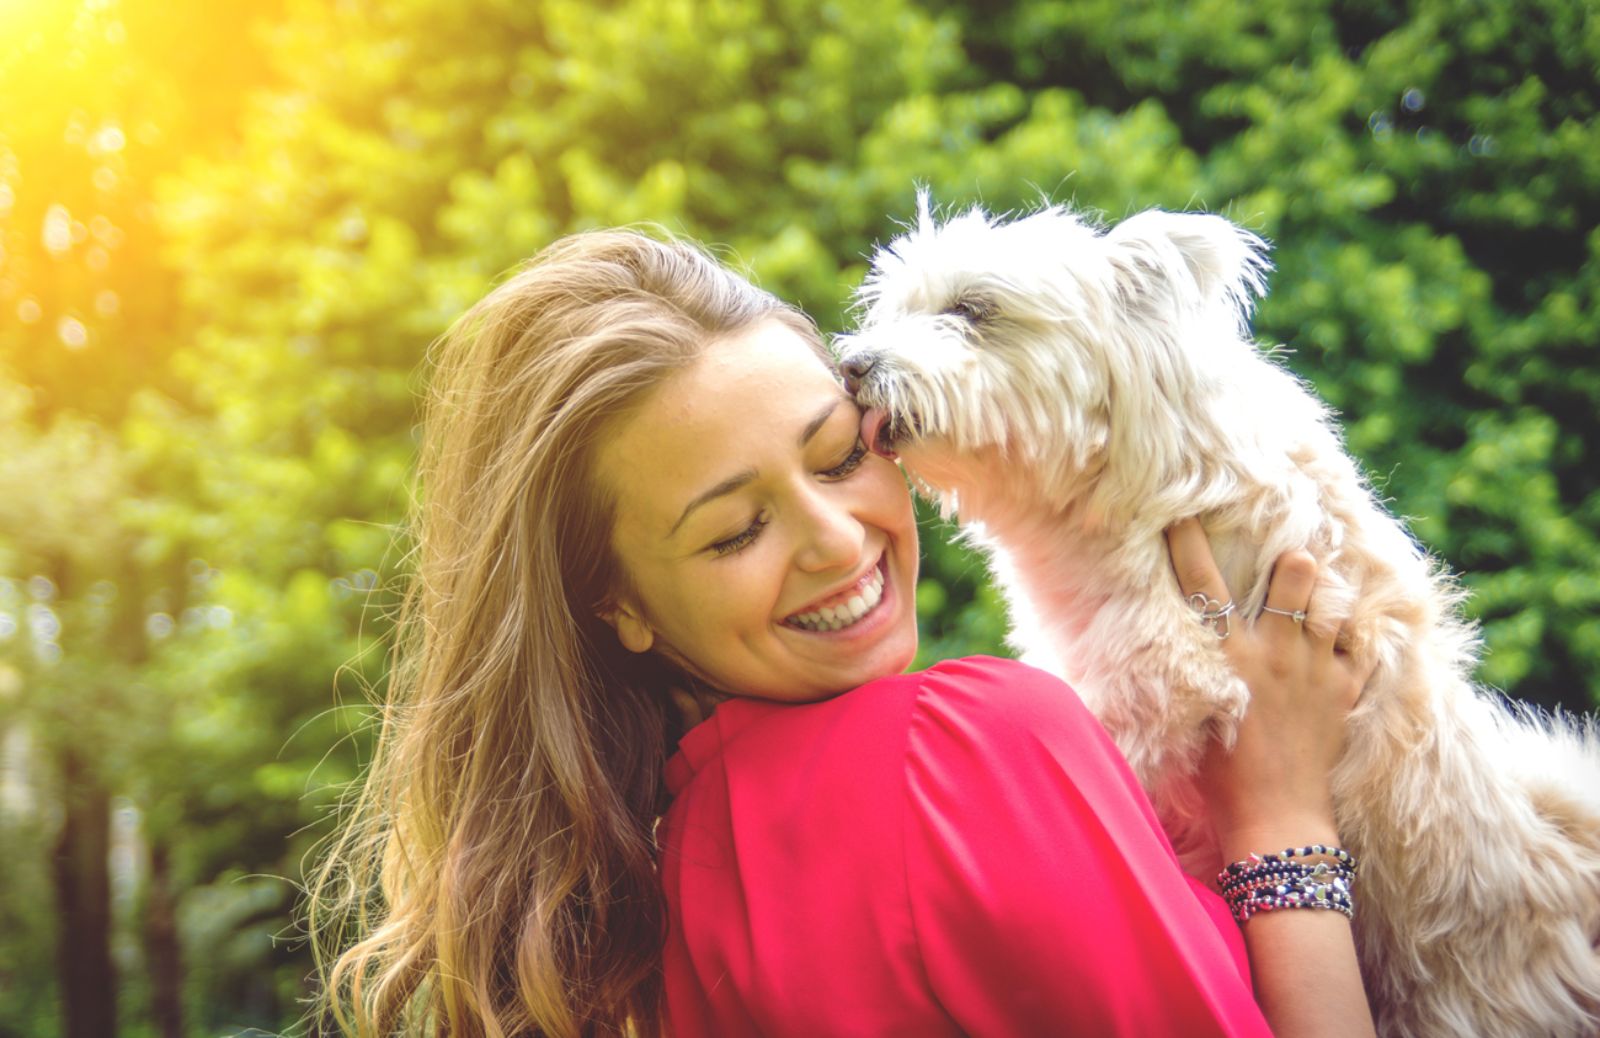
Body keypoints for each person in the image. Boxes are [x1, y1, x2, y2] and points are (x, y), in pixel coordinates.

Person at [308, 229, 1377, 1037]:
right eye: (735, 532)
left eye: (836, 457)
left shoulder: (633, 909)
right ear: (616, 604)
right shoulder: (961, 751)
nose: (835, 540)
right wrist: (1281, 811)